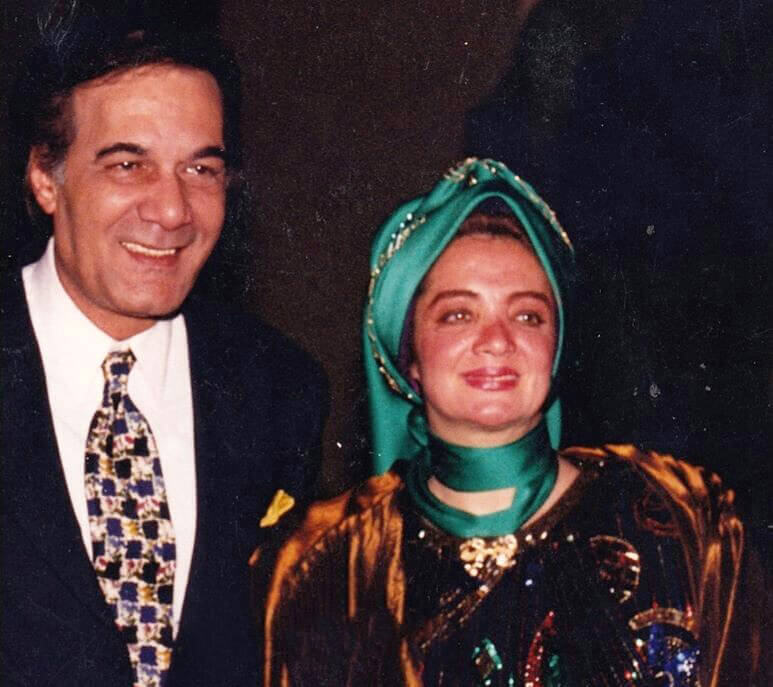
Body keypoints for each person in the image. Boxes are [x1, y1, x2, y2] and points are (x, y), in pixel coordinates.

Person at [263, 158, 761, 686]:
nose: (497, 341)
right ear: (409, 356)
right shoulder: (323, 569)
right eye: (458, 314)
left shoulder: (683, 516)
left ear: (556, 345)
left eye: (527, 315)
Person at [0, 14, 326, 687]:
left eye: (200, 169)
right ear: (45, 177)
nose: (173, 210)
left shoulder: (281, 389)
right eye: (128, 164)